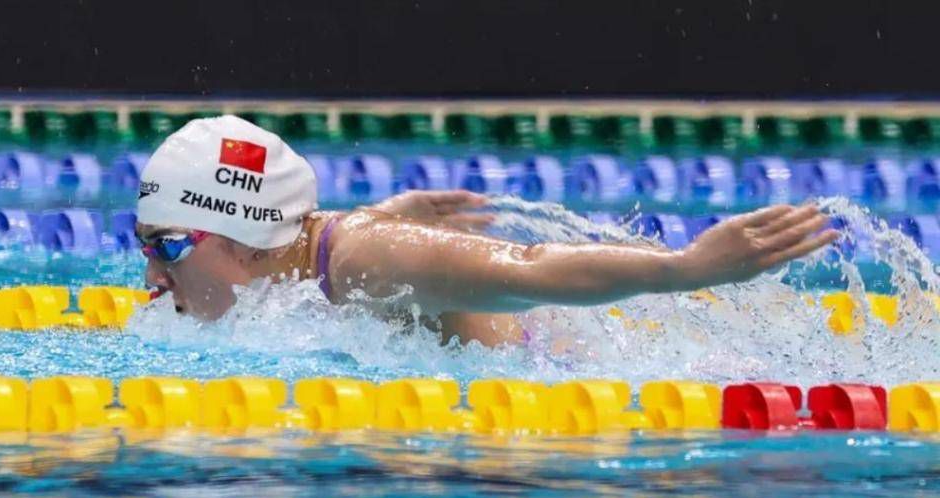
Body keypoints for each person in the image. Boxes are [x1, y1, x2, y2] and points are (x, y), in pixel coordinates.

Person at [136, 116, 839, 347]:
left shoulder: (367, 259)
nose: (152, 278)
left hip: (575, 381)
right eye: (143, 244)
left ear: (240, 240)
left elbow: (531, 266)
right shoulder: (314, 256)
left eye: (166, 247)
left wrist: (686, 269)